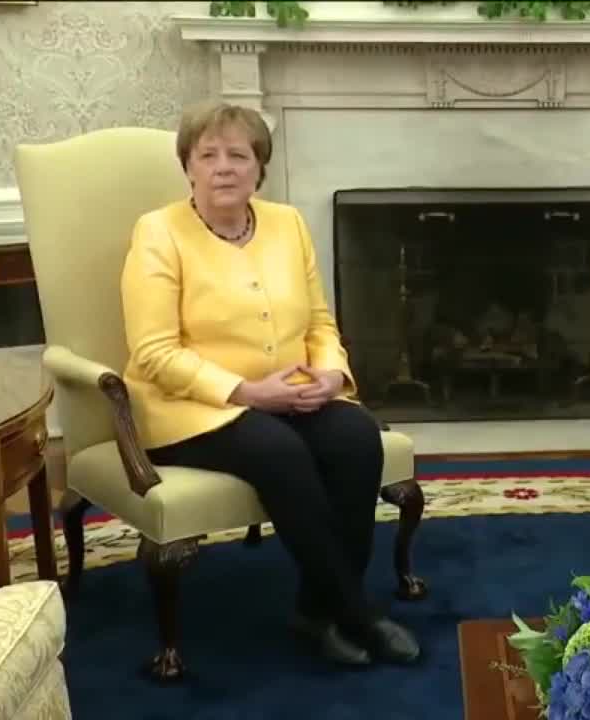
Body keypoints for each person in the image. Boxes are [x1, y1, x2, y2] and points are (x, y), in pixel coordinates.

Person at [120, 100, 420, 667]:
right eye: (207, 155)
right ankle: (358, 613)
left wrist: (331, 375)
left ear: (259, 168)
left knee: (356, 437)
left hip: (290, 392)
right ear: (188, 167)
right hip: (192, 408)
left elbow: (318, 322)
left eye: (238, 154)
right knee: (280, 452)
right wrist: (249, 393)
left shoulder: (287, 223)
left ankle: (317, 610)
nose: (223, 167)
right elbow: (153, 353)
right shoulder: (158, 233)